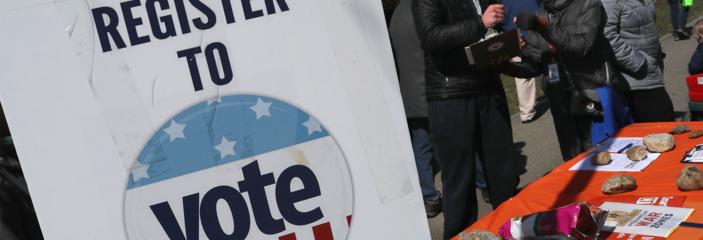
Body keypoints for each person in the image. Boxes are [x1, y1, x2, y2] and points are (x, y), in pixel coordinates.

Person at [412, 0, 519, 238]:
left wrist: (507, 44)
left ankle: (512, 231)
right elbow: (430, 37)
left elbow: (488, 35)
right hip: (452, 95)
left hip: (489, 89)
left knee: (504, 174)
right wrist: (481, 23)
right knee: (459, 182)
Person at [494, 0, 617, 159]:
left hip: (592, 96)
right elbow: (535, 62)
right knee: (575, 164)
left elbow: (582, 45)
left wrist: (542, 26)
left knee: (606, 159)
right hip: (561, 106)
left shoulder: (588, 4)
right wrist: (506, 67)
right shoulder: (542, 13)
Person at [388, 0, 443, 218]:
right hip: (432, 87)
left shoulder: (396, 16)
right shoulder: (424, 8)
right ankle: (473, 187)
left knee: (421, 148)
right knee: (447, 144)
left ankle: (429, 198)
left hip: (410, 92)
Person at [601, 0, 675, 123]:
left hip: (651, 74)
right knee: (663, 128)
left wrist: (658, 51)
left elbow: (646, 28)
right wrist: (640, 63)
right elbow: (605, 37)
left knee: (661, 132)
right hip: (633, 80)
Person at [503, 0, 541, 124]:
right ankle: (527, 112)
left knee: (524, 73)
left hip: (519, 30)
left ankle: (527, 112)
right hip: (526, 30)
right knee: (525, 71)